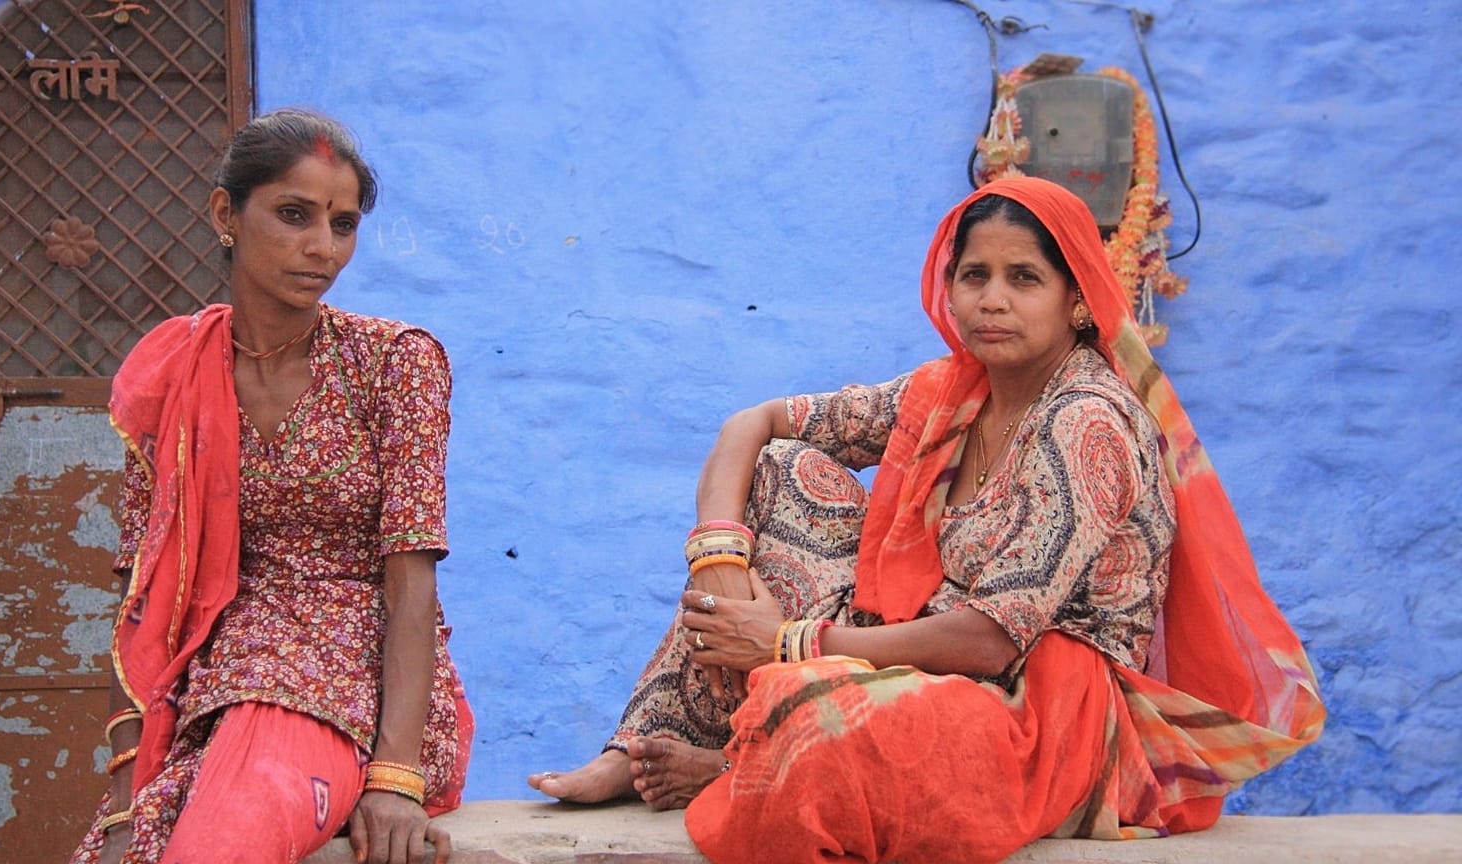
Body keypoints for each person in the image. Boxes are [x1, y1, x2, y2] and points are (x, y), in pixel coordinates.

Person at [529, 176, 1324, 863]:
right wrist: (719, 562)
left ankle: (733, 764)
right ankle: (643, 744)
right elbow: (753, 425)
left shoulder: (1087, 422)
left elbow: (991, 640)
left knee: (819, 726)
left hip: (1040, 710)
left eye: (1024, 278)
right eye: (974, 275)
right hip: (918, 657)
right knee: (783, 470)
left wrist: (784, 643)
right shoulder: (950, 390)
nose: (992, 299)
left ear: (1078, 301)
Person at [71, 109, 473, 864]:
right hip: (210, 691)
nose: (323, 248)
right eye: (294, 215)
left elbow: (412, 582)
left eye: (343, 225)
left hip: (349, 684)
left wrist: (395, 778)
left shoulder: (394, 363)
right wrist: (124, 796)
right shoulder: (175, 374)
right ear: (226, 213)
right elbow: (141, 598)